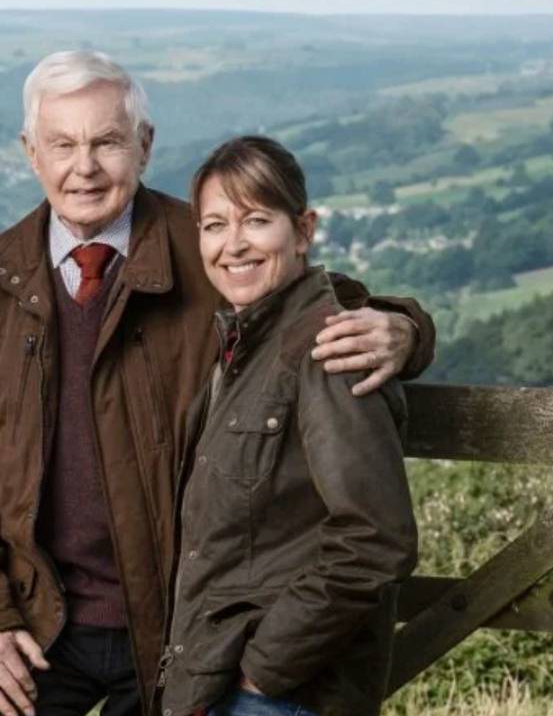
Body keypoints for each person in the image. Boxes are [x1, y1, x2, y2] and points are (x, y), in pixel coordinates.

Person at [0, 50, 435, 716]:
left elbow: (313, 308)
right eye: (62, 145)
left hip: (179, 627)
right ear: (31, 153)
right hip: (34, 624)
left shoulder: (209, 245)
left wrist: (404, 328)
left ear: (144, 145)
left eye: (106, 142)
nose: (85, 167)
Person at [159, 136, 417, 716]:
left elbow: (376, 538)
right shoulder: (244, 339)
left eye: (256, 220)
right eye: (214, 225)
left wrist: (263, 671)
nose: (233, 245)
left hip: (284, 693)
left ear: (303, 229)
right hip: (224, 676)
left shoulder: (328, 349)